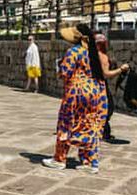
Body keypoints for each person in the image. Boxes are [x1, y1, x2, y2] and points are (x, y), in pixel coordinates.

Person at [43, 24, 108, 174]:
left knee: (66, 123)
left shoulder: (73, 52)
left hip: (76, 92)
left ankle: (59, 159)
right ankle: (90, 162)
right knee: (89, 125)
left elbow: (65, 72)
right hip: (93, 93)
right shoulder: (93, 53)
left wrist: (59, 67)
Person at [94, 33, 129, 142]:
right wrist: (121, 70)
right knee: (108, 108)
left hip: (91, 85)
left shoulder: (91, 55)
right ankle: (102, 131)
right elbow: (106, 74)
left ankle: (101, 131)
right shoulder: (101, 56)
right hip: (100, 85)